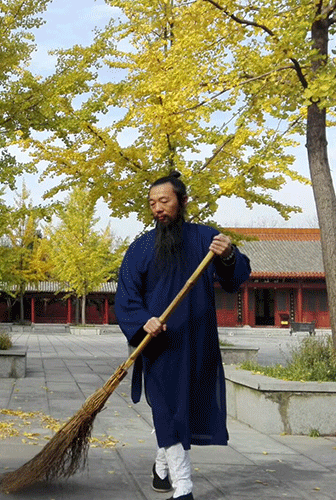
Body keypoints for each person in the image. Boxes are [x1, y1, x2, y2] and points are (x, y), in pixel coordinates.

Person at [114, 171, 251, 500]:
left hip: (199, 341)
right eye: (152, 203)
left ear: (183, 201)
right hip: (160, 345)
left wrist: (229, 255)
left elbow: (235, 278)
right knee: (166, 408)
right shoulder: (140, 247)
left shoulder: (206, 238)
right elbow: (126, 295)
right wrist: (143, 320)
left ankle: (161, 469)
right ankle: (184, 488)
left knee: (183, 410)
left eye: (164, 201)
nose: (157, 208)